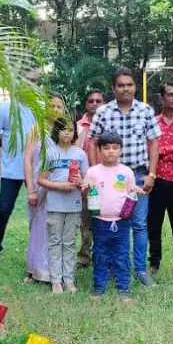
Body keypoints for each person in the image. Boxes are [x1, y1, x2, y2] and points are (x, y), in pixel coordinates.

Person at [88, 67, 161, 287]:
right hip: (107, 178)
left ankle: (139, 269)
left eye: (129, 85)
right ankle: (110, 266)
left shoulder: (146, 110)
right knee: (107, 222)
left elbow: (153, 143)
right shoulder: (103, 112)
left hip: (137, 177)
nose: (125, 89)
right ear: (113, 88)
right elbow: (92, 142)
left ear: (135, 86)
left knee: (138, 225)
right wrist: (95, 173)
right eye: (121, 85)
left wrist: (152, 174)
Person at [82, 131, 138, 302]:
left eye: (115, 148)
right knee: (100, 254)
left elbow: (131, 192)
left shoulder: (126, 172)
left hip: (122, 222)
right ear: (99, 150)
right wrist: (85, 187)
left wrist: (136, 190)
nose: (111, 151)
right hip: (99, 222)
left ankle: (124, 287)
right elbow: (85, 194)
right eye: (106, 148)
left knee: (121, 254)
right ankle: (99, 286)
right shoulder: (93, 172)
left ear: (121, 150)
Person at [38, 115, 89, 294]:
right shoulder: (49, 153)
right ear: (56, 131)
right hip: (54, 205)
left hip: (74, 205)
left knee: (69, 243)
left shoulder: (80, 154)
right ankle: (55, 280)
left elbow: (86, 180)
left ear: (75, 132)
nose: (67, 133)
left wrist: (80, 182)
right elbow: (41, 180)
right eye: (63, 129)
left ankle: (68, 279)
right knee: (55, 242)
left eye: (70, 129)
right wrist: (61, 186)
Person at [0, 98, 36, 264]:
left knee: (39, 210)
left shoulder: (40, 108)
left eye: (34, 81)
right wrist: (7, 145)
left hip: (35, 169)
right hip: (11, 171)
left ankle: (39, 250)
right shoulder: (6, 107)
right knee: (4, 209)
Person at [23, 93, 68, 284]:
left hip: (58, 185)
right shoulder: (36, 129)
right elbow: (27, 159)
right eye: (52, 106)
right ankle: (36, 269)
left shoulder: (67, 131)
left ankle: (56, 269)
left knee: (56, 226)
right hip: (38, 183)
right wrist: (31, 189)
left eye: (59, 106)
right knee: (37, 225)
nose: (55, 109)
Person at [147, 81, 173, 280]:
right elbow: (150, 151)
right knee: (153, 225)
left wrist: (163, 151)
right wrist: (171, 150)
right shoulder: (153, 122)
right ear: (161, 98)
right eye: (170, 94)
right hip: (156, 180)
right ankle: (154, 263)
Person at [75, 89, 105, 267]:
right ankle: (84, 256)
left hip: (107, 182)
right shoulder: (78, 127)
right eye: (91, 101)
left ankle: (102, 255)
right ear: (86, 104)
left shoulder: (109, 124)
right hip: (86, 184)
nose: (94, 103)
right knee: (85, 221)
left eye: (98, 101)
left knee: (104, 220)